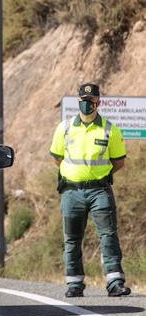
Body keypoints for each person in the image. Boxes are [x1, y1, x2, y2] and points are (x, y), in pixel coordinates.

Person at [50, 83, 130, 298]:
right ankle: (74, 283)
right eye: (84, 101)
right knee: (72, 238)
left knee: (108, 235)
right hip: (71, 193)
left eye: (92, 101)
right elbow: (57, 158)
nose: (88, 105)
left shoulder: (109, 129)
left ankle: (114, 281)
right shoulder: (64, 128)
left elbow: (119, 162)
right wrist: (76, 175)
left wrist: (96, 175)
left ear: (98, 102)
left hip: (99, 192)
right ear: (78, 102)